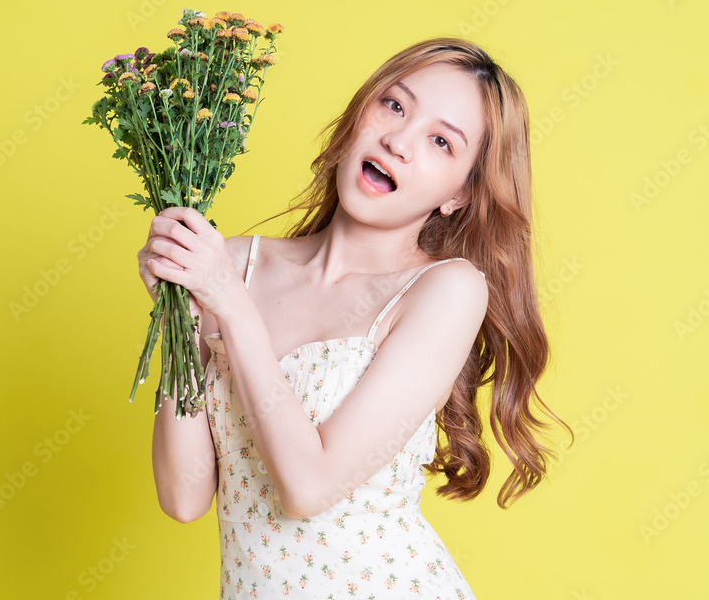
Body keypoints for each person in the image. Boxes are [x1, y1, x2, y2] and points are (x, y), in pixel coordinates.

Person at [140, 36, 574, 599]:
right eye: (393, 105)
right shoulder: (234, 265)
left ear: (460, 194)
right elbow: (184, 497)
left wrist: (231, 309)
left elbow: (309, 486)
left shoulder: (445, 291)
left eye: (441, 141)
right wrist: (180, 320)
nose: (398, 140)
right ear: (358, 115)